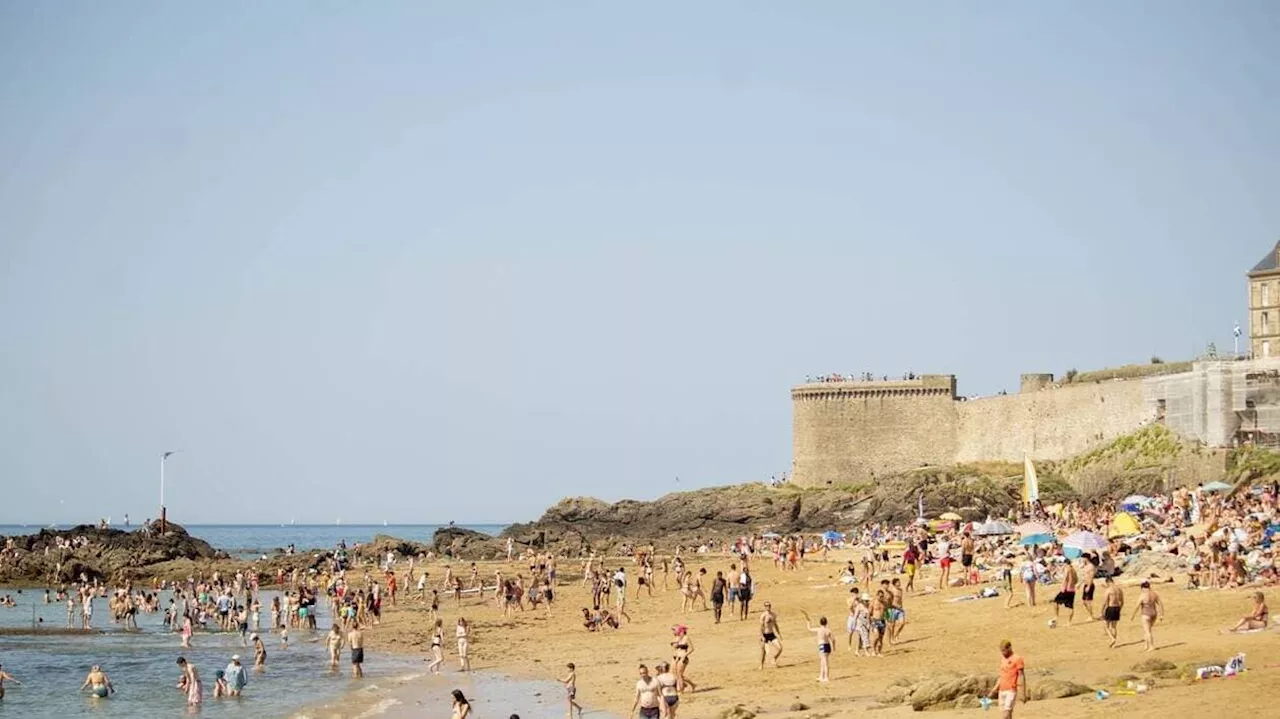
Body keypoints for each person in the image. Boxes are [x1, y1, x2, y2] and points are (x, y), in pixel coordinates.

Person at [986, 640, 1027, 719]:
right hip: (1002, 690)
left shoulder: (1017, 659)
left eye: (1004, 650)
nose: (1003, 653)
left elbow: (1021, 676)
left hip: (1011, 690)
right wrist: (993, 691)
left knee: (1006, 714)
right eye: (1001, 651)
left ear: (1009, 648)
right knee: (1007, 715)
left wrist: (1022, 693)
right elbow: (1001, 677)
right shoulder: (1003, 660)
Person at [1132, 581, 1164, 652]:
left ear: (1143, 588)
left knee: (1147, 631)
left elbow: (1137, 606)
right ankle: (1146, 645)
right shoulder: (1154, 594)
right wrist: (1161, 615)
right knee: (1148, 630)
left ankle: (1151, 646)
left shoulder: (1143, 595)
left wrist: (1133, 615)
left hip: (1146, 614)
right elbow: (1160, 604)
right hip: (1154, 613)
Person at [803, 612, 834, 682]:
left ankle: (826, 677)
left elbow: (809, 628)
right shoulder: (828, 630)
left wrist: (808, 621)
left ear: (820, 623)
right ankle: (821, 676)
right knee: (823, 662)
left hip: (822, 646)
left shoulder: (819, 629)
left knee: (824, 662)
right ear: (826, 622)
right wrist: (834, 647)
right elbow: (833, 639)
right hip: (828, 646)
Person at [669, 625, 697, 692]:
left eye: (675, 630)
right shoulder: (677, 638)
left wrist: (685, 655)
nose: (674, 632)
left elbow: (692, 648)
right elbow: (674, 648)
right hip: (676, 657)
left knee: (679, 674)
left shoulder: (686, 638)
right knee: (674, 673)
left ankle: (681, 690)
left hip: (683, 657)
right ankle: (691, 684)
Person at [758, 601, 783, 668]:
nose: (768, 607)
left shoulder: (773, 615)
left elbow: (775, 624)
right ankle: (761, 665)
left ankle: (774, 659)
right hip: (764, 635)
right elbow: (761, 627)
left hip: (771, 634)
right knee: (763, 651)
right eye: (766, 606)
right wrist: (761, 636)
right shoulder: (763, 616)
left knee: (780, 648)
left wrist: (779, 634)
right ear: (765, 607)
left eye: (769, 605)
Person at [1052, 559, 1078, 624]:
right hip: (1072, 589)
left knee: (1055, 601)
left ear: (1065, 563)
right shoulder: (1073, 570)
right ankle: (1069, 622)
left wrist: (1063, 587)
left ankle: (1056, 616)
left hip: (1066, 589)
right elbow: (1076, 580)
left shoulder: (1067, 568)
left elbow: (1065, 578)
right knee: (1070, 606)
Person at [1101, 576, 1124, 648]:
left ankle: (1112, 638)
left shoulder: (1108, 590)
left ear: (1107, 582)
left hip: (1110, 607)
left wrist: (1102, 611)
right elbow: (1122, 601)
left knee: (1106, 626)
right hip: (1117, 607)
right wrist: (1120, 609)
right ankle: (1114, 644)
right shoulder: (1119, 589)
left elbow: (1104, 602)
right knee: (1114, 626)